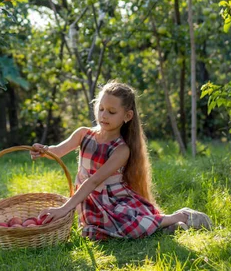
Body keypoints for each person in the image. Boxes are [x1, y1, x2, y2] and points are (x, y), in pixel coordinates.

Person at [31, 80, 211, 241]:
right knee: (94, 235)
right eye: (101, 109)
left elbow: (94, 181)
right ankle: (165, 227)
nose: (103, 116)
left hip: (113, 200)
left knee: (128, 228)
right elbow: (58, 150)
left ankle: (179, 217)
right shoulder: (83, 134)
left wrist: (65, 208)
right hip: (89, 199)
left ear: (127, 116)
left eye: (111, 112)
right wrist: (44, 151)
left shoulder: (121, 149)